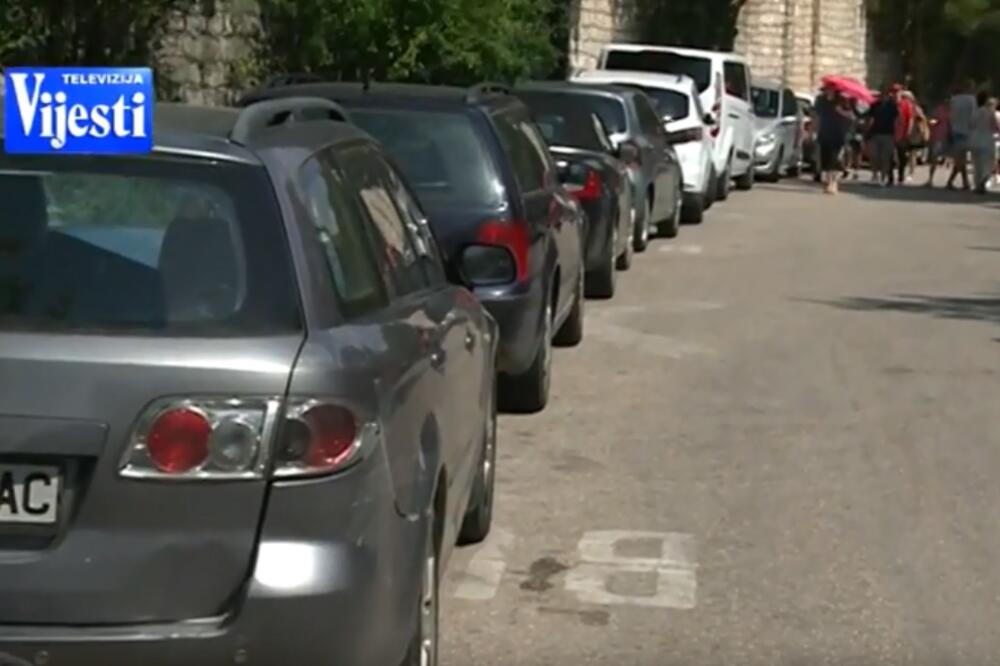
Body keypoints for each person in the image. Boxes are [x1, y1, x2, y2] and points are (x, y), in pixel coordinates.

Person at [814, 83, 854, 194]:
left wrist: (840, 111)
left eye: (831, 89)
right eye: (827, 89)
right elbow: (817, 116)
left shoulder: (842, 101)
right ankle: (827, 182)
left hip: (837, 133)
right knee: (825, 160)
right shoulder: (820, 100)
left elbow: (851, 116)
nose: (828, 91)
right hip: (824, 132)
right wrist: (813, 131)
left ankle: (834, 183)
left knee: (834, 159)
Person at [946, 79, 977, 191]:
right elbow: (973, 117)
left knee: (960, 158)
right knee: (961, 160)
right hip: (967, 131)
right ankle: (951, 181)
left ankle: (965, 182)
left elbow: (950, 116)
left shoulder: (954, 99)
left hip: (956, 130)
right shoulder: (972, 100)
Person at [866, 85, 899, 186]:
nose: (884, 96)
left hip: (888, 134)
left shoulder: (892, 106)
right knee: (874, 156)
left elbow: (897, 120)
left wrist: (897, 134)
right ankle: (875, 175)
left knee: (885, 157)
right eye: (882, 94)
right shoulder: (874, 105)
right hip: (875, 133)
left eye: (885, 94)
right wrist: (867, 130)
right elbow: (870, 118)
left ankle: (883, 177)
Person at [969, 92, 998, 194]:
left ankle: (978, 185)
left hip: (974, 140)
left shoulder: (974, 112)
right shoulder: (989, 112)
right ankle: (983, 181)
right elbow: (996, 126)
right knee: (988, 163)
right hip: (987, 140)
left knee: (977, 165)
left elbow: (971, 125)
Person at [925, 100, 950, 187]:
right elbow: (934, 119)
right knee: (937, 158)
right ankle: (932, 179)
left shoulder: (947, 110)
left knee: (937, 159)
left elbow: (935, 120)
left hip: (943, 136)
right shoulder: (944, 110)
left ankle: (933, 179)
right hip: (941, 136)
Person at [893, 84, 915, 184]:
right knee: (891, 156)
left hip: (902, 134)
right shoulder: (891, 104)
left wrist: (908, 133)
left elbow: (910, 119)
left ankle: (901, 175)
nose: (895, 94)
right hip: (891, 134)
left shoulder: (906, 105)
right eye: (894, 92)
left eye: (897, 91)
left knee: (902, 157)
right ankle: (890, 176)